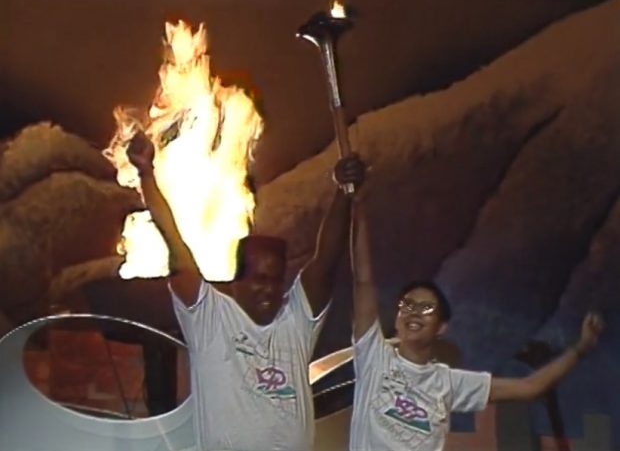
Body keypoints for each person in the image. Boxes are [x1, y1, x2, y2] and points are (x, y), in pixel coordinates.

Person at [126, 131, 365, 451]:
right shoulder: (210, 319)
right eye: (259, 278)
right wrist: (146, 174)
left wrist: (343, 193)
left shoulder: (295, 324)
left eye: (276, 280)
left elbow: (326, 261)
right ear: (235, 282)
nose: (269, 289)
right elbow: (175, 244)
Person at [348, 198, 604, 451]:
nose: (414, 313)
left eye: (426, 308)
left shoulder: (448, 383)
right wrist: (354, 205)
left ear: (441, 328)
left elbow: (529, 387)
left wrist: (581, 348)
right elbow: (363, 280)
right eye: (407, 306)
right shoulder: (374, 359)